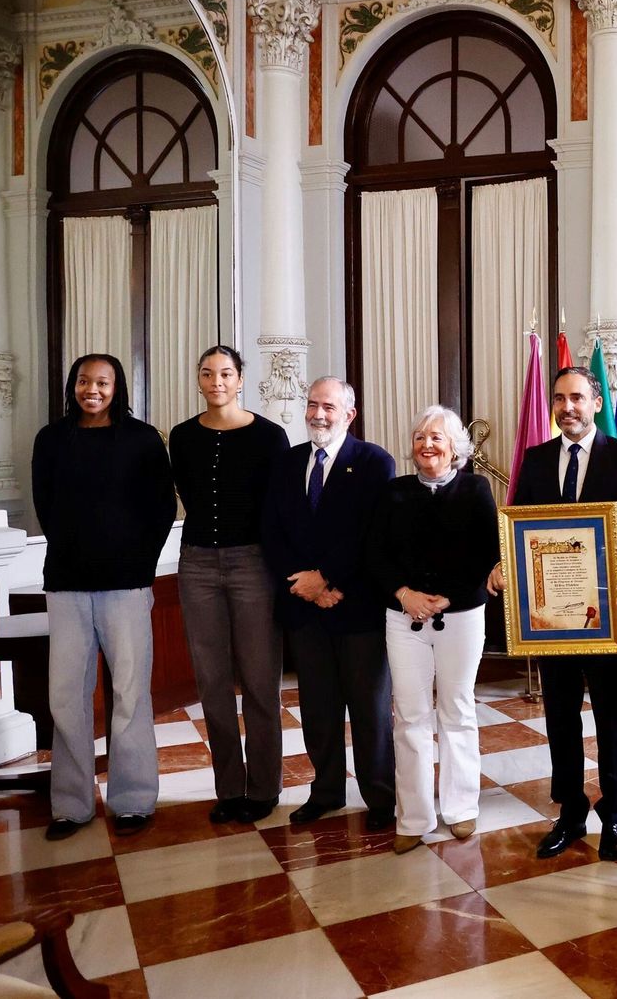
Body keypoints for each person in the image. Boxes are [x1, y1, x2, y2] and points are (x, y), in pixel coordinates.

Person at [488, 367, 617, 862]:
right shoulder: (537, 460)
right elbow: (517, 529)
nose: (568, 408)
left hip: (605, 612)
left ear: (597, 402)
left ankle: (615, 814)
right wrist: (503, 562)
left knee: (610, 714)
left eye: (578, 398)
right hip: (550, 616)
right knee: (559, 715)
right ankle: (570, 812)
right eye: (560, 399)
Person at [32, 354, 175, 839]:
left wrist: (138, 564)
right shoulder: (51, 439)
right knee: (66, 695)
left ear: (118, 388)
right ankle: (71, 805)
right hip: (66, 584)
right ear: (72, 385)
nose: (92, 389)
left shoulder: (142, 439)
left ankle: (133, 799)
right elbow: (45, 506)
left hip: (127, 584)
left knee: (130, 693)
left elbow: (161, 510)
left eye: (103, 381)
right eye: (84, 380)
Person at [262, 377, 397, 830]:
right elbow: (272, 531)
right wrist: (304, 585)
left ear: (349, 415)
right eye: (313, 404)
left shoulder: (375, 461)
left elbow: (373, 535)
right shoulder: (287, 462)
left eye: (329, 407)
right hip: (304, 608)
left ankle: (380, 798)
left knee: (369, 709)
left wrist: (328, 579)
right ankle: (326, 792)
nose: (318, 414)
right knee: (318, 708)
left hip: (357, 606)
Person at [168, 346, 290, 825]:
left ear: (241, 380)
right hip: (197, 565)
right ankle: (229, 790)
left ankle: (264, 788)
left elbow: (279, 507)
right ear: (198, 380)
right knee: (212, 683)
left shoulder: (270, 437)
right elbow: (185, 494)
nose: (216, 380)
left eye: (225, 373)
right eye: (206, 373)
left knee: (261, 682)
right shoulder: (181, 437)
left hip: (252, 566)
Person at [368, 406, 497, 854]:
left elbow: (488, 554)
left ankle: (461, 810)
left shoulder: (476, 489)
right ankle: (414, 816)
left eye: (436, 438)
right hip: (403, 618)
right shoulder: (394, 492)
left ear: (455, 448)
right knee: (410, 716)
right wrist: (404, 594)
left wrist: (448, 598)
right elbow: (376, 555)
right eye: (420, 436)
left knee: (458, 710)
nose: (426, 444)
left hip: (460, 616)